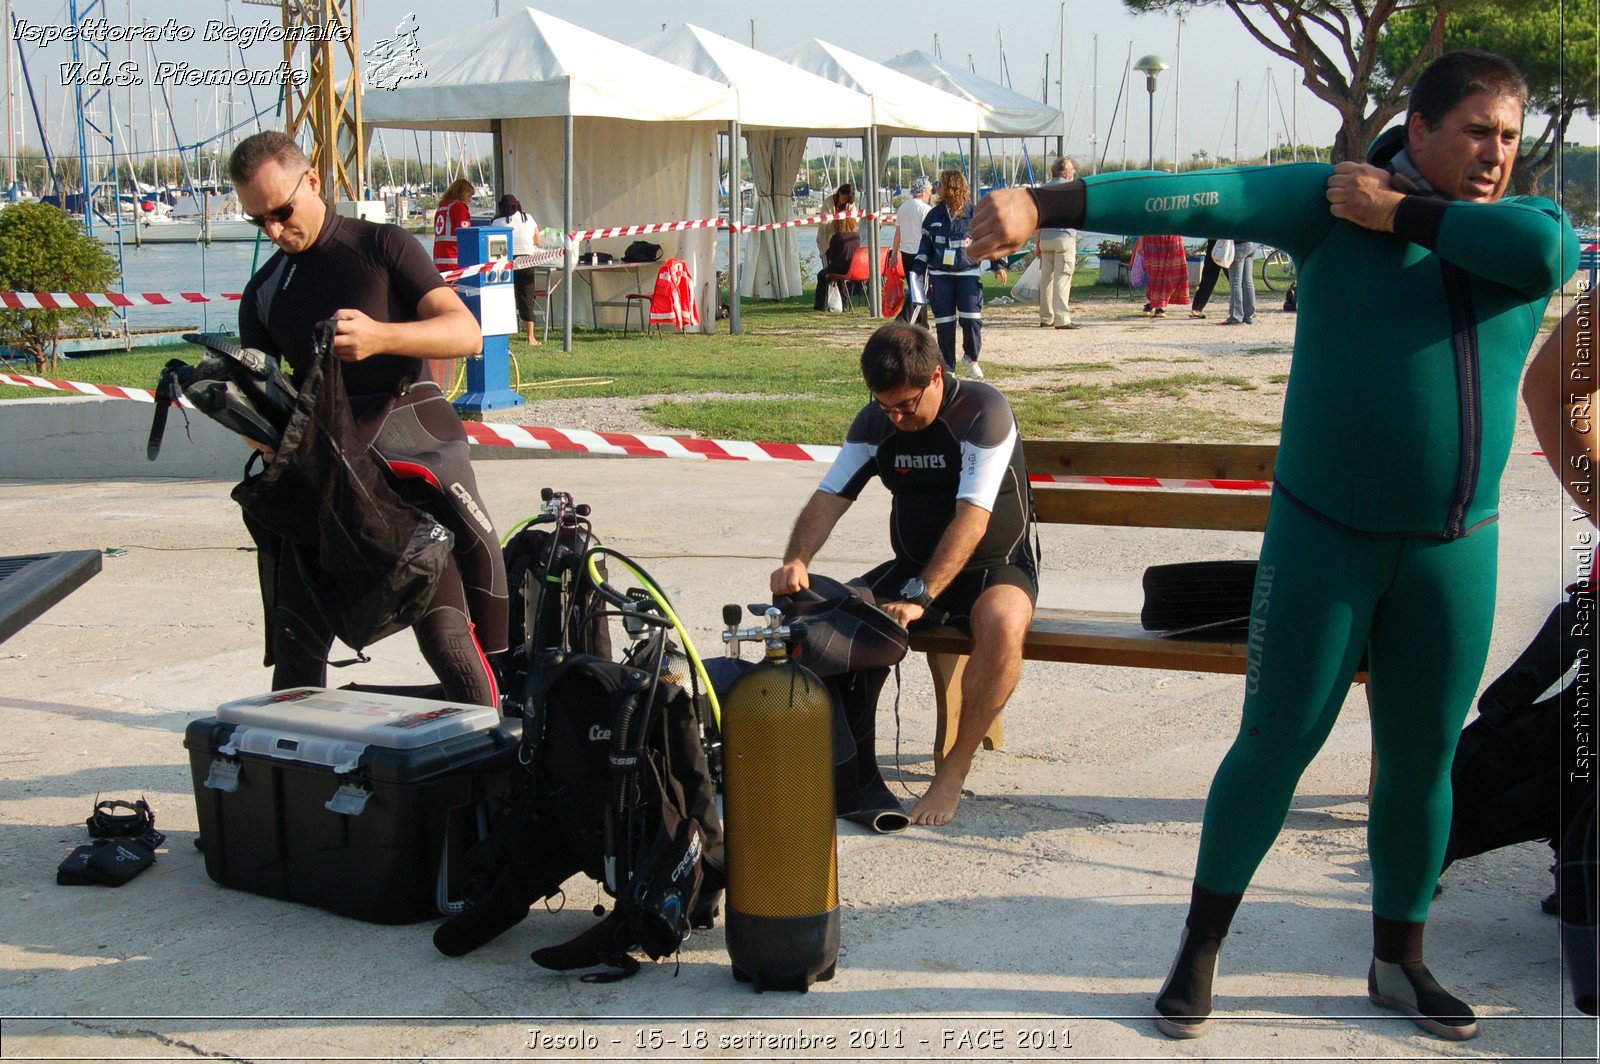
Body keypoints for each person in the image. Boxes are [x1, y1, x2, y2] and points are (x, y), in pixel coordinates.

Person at [966, 50, 1578, 1041]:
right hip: (1325, 540)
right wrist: (1045, 201)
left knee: (1422, 761)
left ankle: (1399, 958)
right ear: (1418, 127)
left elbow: (1550, 261)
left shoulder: (1527, 227)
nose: (1493, 154)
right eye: (1473, 130)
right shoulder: (1324, 202)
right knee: (1275, 744)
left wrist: (1401, 215)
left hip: (1451, 549)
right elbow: (1195, 198)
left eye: (1507, 136)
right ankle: (1200, 949)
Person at [231, 131, 510, 709]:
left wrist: (382, 337)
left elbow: (466, 333)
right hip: (329, 490)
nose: (275, 231)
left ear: (313, 181)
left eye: (281, 212)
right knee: (297, 658)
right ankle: (298, 786)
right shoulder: (263, 294)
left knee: (450, 641)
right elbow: (264, 398)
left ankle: (495, 780)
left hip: (407, 476)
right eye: (258, 222)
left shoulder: (382, 246)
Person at [770, 323, 1035, 827]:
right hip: (912, 568)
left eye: (906, 406)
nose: (895, 417)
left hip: (993, 567)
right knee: (817, 615)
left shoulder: (982, 412)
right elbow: (830, 498)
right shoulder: (878, 420)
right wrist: (797, 560)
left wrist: (921, 595)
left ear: (936, 376)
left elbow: (972, 520)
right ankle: (845, 766)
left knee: (1002, 624)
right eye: (884, 406)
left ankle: (953, 770)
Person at [911, 170, 988, 379]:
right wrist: (917, 269)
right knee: (945, 322)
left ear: (952, 187)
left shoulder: (974, 212)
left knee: (972, 318)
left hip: (968, 272)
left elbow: (985, 238)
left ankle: (971, 358)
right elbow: (925, 244)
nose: (938, 188)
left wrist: (998, 264)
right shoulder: (933, 214)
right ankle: (949, 367)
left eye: (941, 185)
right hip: (940, 274)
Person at [490, 193, 543, 346]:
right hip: (526, 260)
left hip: (505, 261)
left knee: (501, 296)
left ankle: (499, 333)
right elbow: (537, 240)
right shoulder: (528, 218)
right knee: (526, 297)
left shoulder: (496, 222)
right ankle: (531, 337)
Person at [1035, 158, 1080, 329]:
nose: (1074, 171)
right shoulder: (1071, 189)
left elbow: (1037, 219)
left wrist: (1037, 243)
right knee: (1063, 277)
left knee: (1047, 279)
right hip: (1064, 237)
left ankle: (1046, 317)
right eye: (1071, 169)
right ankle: (1062, 319)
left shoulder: (1043, 189)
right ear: (1063, 173)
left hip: (1046, 238)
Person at [896, 176, 934, 325]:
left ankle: (922, 322)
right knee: (919, 289)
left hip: (905, 252)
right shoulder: (925, 209)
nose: (931, 194)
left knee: (914, 287)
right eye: (930, 191)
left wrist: (894, 254)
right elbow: (928, 233)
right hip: (920, 252)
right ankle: (904, 319)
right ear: (924, 191)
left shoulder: (903, 207)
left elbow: (898, 232)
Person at [813, 208, 862, 311]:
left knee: (822, 275)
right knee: (839, 278)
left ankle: (821, 305)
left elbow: (831, 259)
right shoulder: (856, 236)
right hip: (854, 269)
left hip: (840, 268)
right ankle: (844, 304)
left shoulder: (837, 237)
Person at [1134, 233, 1190, 316]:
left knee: (1167, 274)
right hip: (1158, 238)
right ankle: (1157, 306)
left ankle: (1155, 305)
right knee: (1157, 274)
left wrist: (1141, 242)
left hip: (1165, 238)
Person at [432, 177, 475, 273]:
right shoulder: (458, 207)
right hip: (454, 259)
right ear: (462, 193)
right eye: (469, 196)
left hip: (439, 259)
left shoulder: (442, 207)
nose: (469, 200)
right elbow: (466, 234)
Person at [1221, 240, 1259, 325]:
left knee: (1236, 283)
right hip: (1251, 244)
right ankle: (1249, 316)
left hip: (1239, 245)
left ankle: (1235, 316)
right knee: (1248, 282)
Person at [1188, 239, 1223, 318]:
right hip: (1223, 241)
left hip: (1220, 241)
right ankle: (1245, 308)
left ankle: (1197, 308)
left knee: (1208, 276)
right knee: (1235, 279)